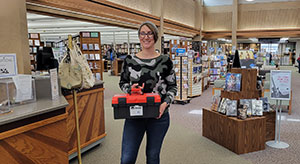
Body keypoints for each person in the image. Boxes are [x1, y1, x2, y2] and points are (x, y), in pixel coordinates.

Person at [119, 21, 177, 164]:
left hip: (158, 117)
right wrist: (129, 89)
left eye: (149, 33)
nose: (146, 37)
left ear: (155, 36)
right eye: (143, 33)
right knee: (127, 158)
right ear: (139, 37)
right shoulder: (129, 60)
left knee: (152, 157)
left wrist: (165, 104)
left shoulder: (165, 60)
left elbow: (173, 87)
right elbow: (123, 83)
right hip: (134, 114)